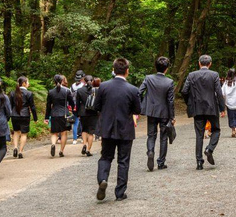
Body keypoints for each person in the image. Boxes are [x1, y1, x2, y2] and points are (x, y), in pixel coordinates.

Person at [94, 58, 141, 201]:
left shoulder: (103, 86)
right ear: (127, 71)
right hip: (125, 128)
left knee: (106, 156)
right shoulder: (133, 89)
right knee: (123, 160)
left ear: (113, 70)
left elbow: (96, 106)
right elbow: (137, 109)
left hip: (107, 128)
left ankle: (102, 179)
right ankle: (120, 192)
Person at [181, 54, 226, 170]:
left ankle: (199, 162)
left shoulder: (192, 75)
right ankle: (209, 149)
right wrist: (222, 108)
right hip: (212, 107)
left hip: (198, 108)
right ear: (210, 64)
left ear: (199, 63)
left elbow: (184, 91)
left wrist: (190, 103)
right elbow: (218, 92)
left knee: (199, 135)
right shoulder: (214, 75)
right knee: (216, 130)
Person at [139, 56, 176, 171]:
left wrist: (141, 105)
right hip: (164, 112)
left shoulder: (148, 78)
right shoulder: (169, 82)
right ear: (166, 69)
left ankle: (150, 151)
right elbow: (170, 101)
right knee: (163, 137)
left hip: (151, 111)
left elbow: (139, 92)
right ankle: (161, 162)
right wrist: (172, 116)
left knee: (151, 135)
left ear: (156, 67)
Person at [45, 74, 74, 157]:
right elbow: (72, 102)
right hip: (64, 114)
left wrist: (46, 117)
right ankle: (61, 151)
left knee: (54, 133)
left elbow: (48, 106)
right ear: (62, 81)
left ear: (54, 82)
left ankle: (53, 144)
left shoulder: (50, 92)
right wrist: (73, 110)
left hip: (54, 114)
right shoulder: (66, 91)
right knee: (64, 133)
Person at [9, 76, 37, 159]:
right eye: (28, 82)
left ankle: (15, 148)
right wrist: (35, 118)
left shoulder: (13, 93)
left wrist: (9, 115)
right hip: (25, 115)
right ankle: (20, 151)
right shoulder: (29, 93)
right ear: (24, 83)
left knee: (16, 132)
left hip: (14, 115)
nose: (29, 84)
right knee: (24, 134)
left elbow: (10, 105)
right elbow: (32, 107)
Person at [75, 75, 99, 157]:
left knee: (84, 130)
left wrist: (77, 113)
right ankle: (88, 150)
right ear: (92, 81)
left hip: (83, 112)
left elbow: (77, 103)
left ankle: (84, 144)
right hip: (93, 112)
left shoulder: (80, 90)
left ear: (84, 81)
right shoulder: (96, 90)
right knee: (91, 132)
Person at [70, 69, 85, 145]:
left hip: (74, 106)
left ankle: (74, 139)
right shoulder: (83, 86)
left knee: (75, 123)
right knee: (82, 122)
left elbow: (70, 95)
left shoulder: (72, 86)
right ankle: (82, 138)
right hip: (81, 106)